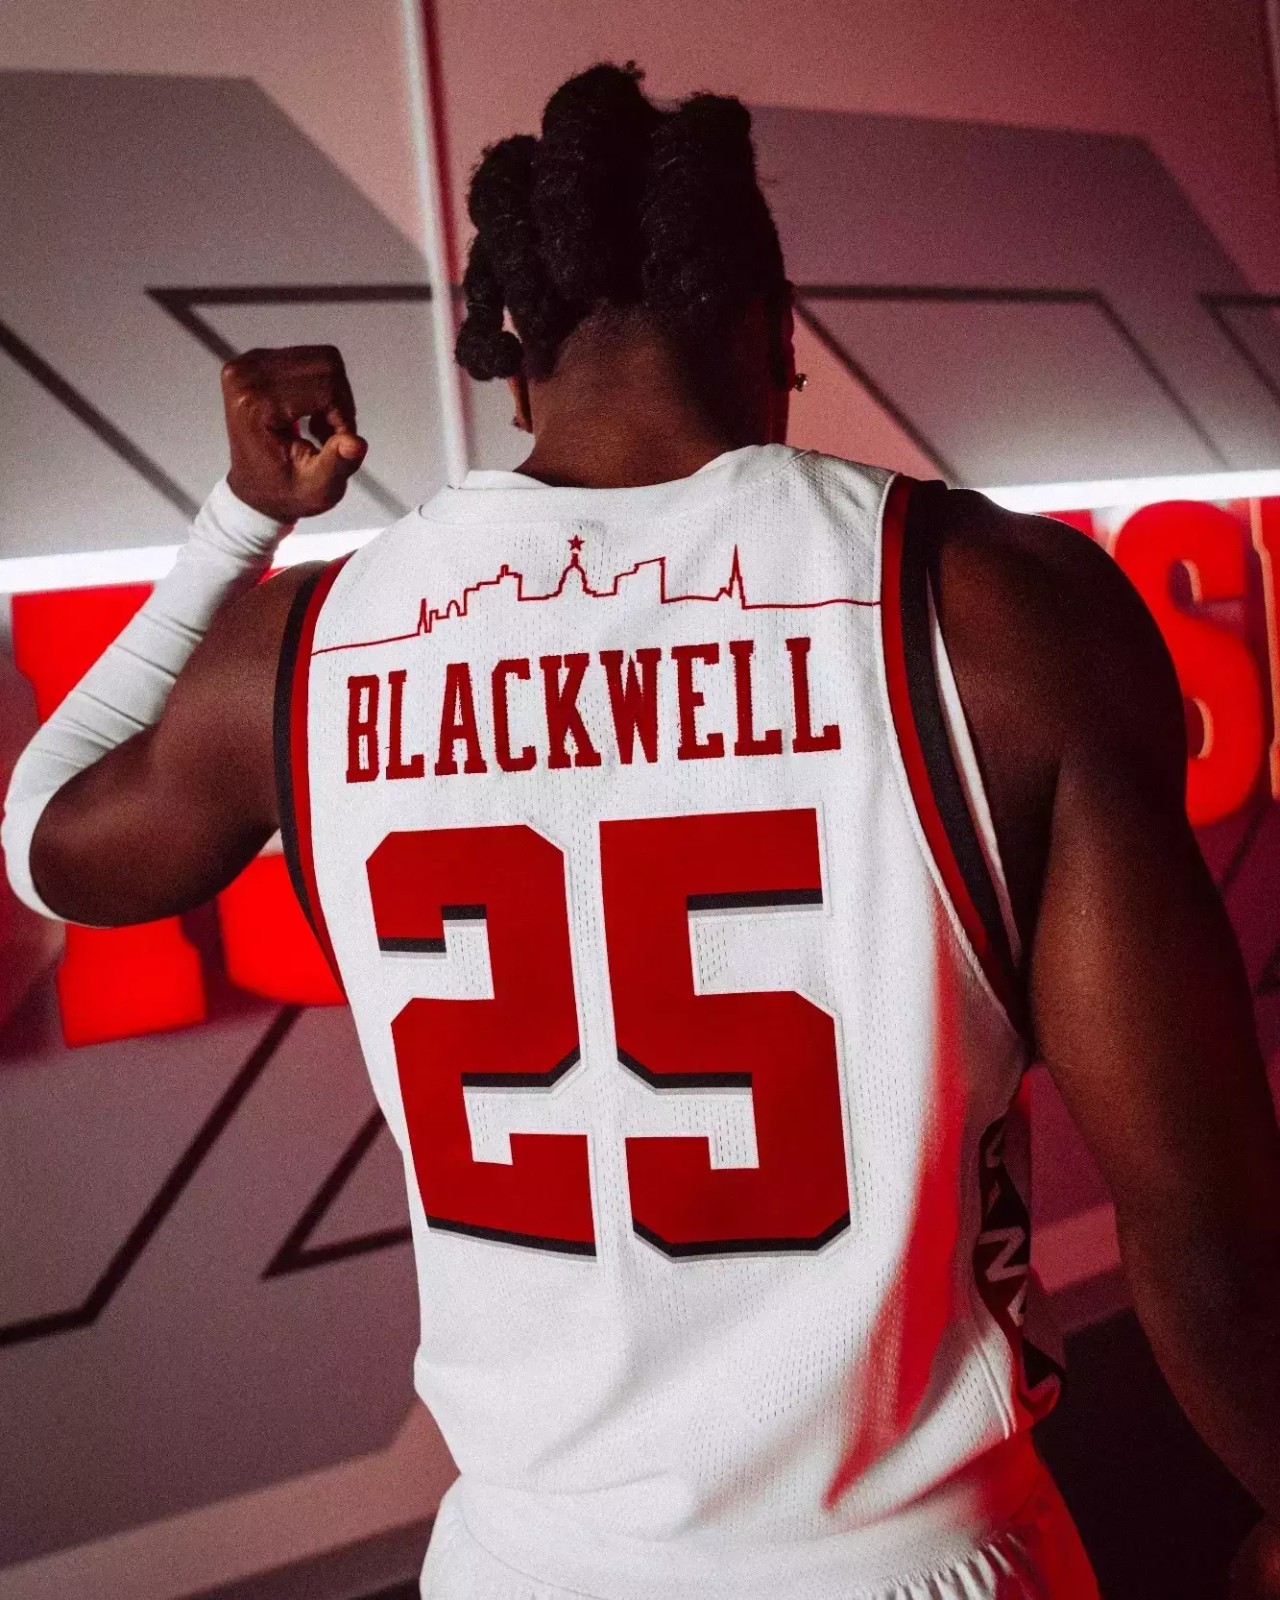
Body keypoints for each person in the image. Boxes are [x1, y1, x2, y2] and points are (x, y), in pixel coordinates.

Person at [6, 60, 1280, 1600]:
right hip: (918, 1556)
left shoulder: (309, 648)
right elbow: (1211, 1246)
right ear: (777, 334)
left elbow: (43, 833)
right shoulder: (998, 612)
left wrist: (241, 516)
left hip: (520, 1566)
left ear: (514, 371)